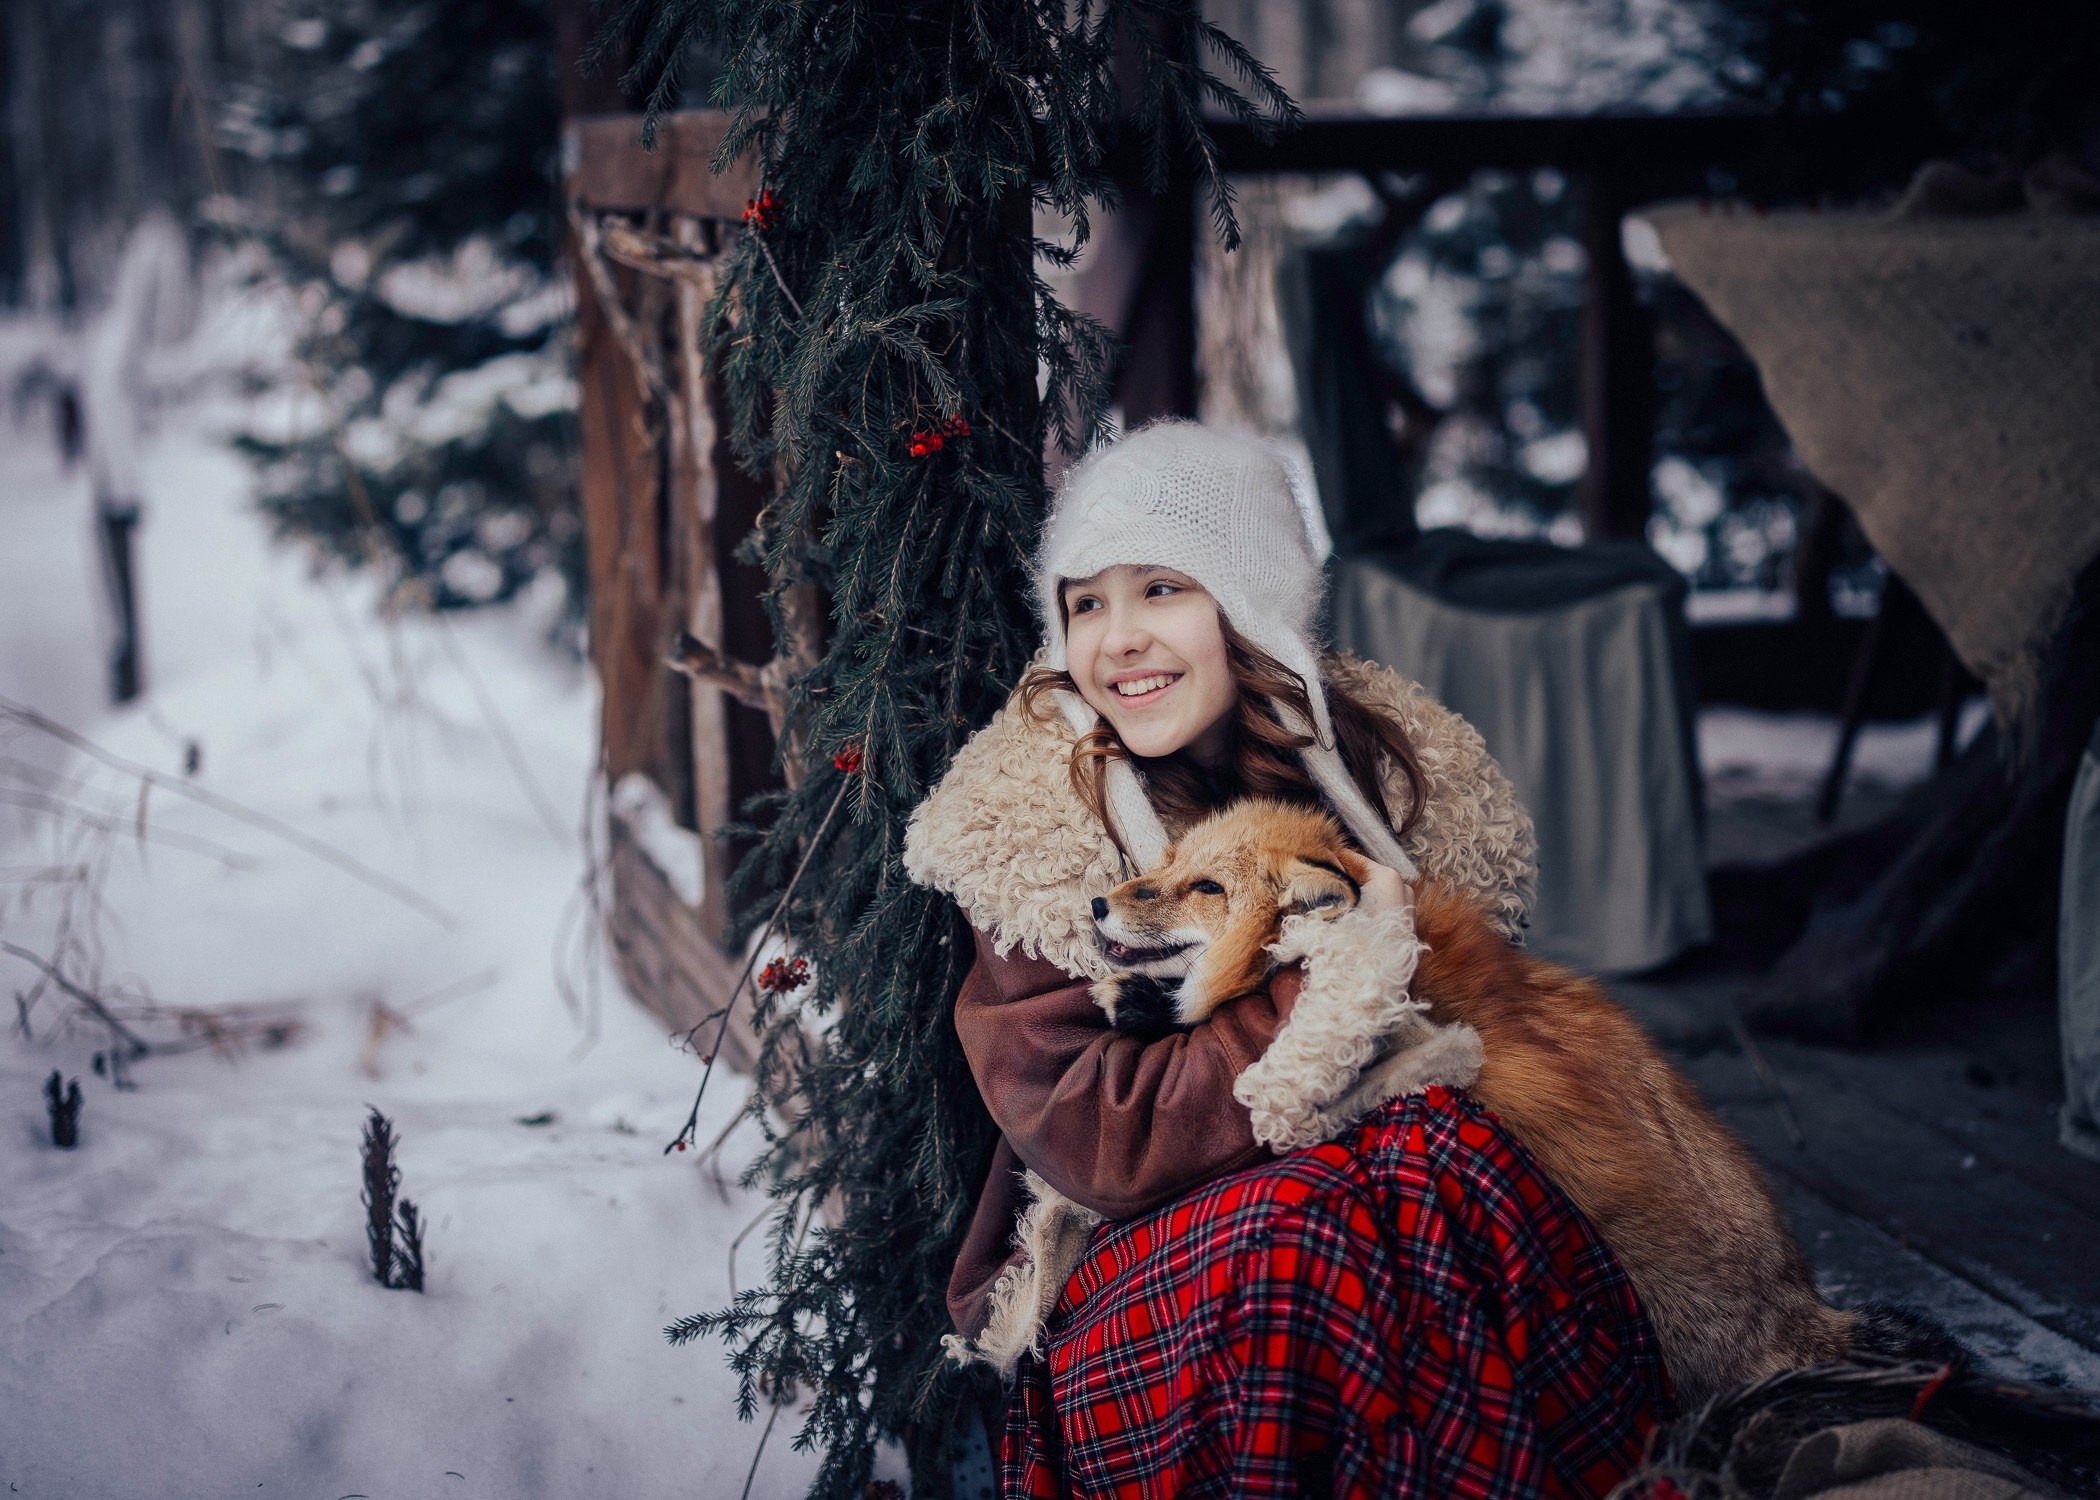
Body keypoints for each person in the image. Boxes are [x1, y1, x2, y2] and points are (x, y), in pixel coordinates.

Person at [903, 421, 1672, 1498]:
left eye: (1161, 588)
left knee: (1445, 1155)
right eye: (1086, 604)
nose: (1117, 638)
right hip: (1128, 1253)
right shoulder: (1037, 825)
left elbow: (1469, 1046)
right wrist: (1335, 982)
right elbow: (1100, 1143)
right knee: (1308, 1220)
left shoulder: (1375, 781)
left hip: (1349, 1220)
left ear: (1249, 608)